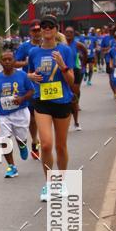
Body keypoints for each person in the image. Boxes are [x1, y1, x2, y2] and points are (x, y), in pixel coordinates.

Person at [27, 14, 75, 202]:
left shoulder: (65, 50)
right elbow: (29, 73)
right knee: (46, 144)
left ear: (56, 30)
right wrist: (30, 77)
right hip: (42, 102)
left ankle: (61, 182)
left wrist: (63, 66)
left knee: (61, 146)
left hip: (62, 102)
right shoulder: (33, 53)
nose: (46, 29)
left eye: (50, 26)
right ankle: (49, 184)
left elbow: (70, 81)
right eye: (43, 26)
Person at [0, 50, 35, 178]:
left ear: (14, 61)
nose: (7, 61)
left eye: (10, 59)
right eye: (4, 59)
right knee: (5, 140)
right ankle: (12, 167)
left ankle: (23, 144)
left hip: (20, 112)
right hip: (3, 114)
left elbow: (31, 91)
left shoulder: (22, 75)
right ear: (0, 62)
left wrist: (22, 98)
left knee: (21, 139)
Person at [14, 20, 42, 159]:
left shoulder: (48, 44)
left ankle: (46, 140)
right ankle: (35, 140)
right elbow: (14, 62)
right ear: (30, 32)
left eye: (39, 30)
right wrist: (26, 62)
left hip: (47, 85)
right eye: (34, 30)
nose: (37, 32)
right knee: (32, 118)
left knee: (44, 115)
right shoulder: (25, 47)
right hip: (30, 86)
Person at [64, 26, 87, 130]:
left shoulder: (77, 44)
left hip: (75, 71)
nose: (68, 34)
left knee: (74, 97)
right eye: (67, 32)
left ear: (74, 34)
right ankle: (65, 121)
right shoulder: (61, 45)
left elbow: (85, 51)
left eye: (71, 32)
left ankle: (76, 122)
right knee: (65, 98)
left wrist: (83, 65)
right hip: (64, 72)